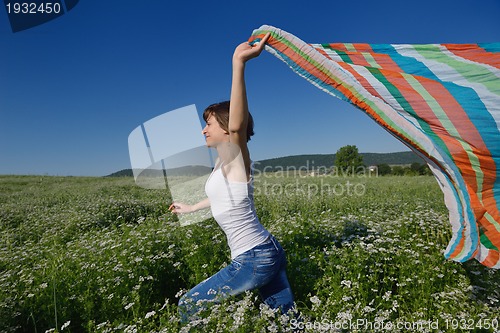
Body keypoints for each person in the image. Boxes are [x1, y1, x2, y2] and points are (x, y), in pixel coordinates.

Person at [169, 33, 295, 323]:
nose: (203, 130)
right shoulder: (221, 165)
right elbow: (219, 198)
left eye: (209, 124)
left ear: (226, 128)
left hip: (254, 257)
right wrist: (189, 208)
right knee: (288, 322)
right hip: (267, 250)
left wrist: (239, 63)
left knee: (187, 305)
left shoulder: (237, 158)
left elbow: (238, 125)